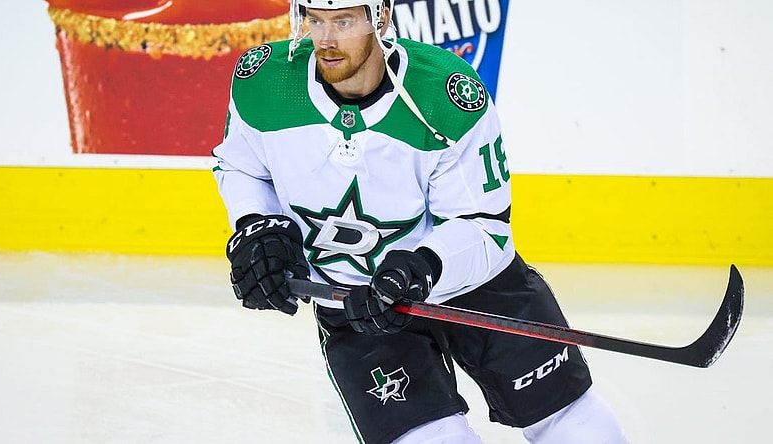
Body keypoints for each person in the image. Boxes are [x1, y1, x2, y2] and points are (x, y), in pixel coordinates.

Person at [212, 1, 628, 443]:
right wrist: (258, 224)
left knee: (566, 421)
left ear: (381, 19)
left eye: (344, 21)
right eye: (315, 20)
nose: (326, 39)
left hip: (477, 288)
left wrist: (423, 265)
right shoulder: (264, 83)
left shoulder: (445, 95)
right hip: (358, 305)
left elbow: (486, 225)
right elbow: (241, 166)